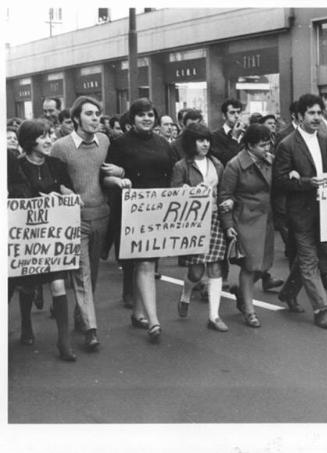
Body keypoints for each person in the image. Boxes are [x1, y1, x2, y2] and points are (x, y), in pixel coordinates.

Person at [105, 98, 179, 343]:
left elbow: (174, 174)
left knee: (147, 263)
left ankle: (138, 313)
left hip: (158, 212)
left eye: (150, 114)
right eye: (141, 115)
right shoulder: (119, 144)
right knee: (145, 264)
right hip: (132, 212)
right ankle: (154, 321)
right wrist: (121, 176)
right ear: (132, 118)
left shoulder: (163, 143)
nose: (147, 118)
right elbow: (106, 175)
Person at [51, 96, 117, 352]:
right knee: (82, 273)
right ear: (77, 118)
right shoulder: (61, 147)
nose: (95, 119)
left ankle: (82, 314)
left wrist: (119, 175)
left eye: (98, 114)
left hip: (101, 214)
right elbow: (54, 180)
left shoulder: (105, 142)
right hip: (75, 219)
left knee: (94, 273)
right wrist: (65, 191)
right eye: (89, 114)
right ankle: (91, 329)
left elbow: (104, 175)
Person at [13, 119, 77, 361]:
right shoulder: (17, 165)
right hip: (28, 238)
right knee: (28, 285)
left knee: (59, 285)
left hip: (54, 238)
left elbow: (66, 188)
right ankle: (27, 324)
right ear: (30, 141)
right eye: (42, 136)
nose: (49, 139)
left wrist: (69, 195)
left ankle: (64, 341)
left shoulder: (56, 164)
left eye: (50, 134)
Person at [273, 93, 327, 328]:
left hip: (324, 209)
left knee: (309, 257)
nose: (317, 117)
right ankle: (321, 309)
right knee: (309, 259)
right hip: (300, 212)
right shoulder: (287, 144)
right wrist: (306, 182)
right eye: (311, 113)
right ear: (299, 116)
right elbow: (279, 181)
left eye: (319, 113)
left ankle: (288, 292)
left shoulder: (324, 139)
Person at [171, 123, 228, 332]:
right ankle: (186, 293)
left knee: (215, 267)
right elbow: (174, 191)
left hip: (213, 219)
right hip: (194, 223)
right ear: (190, 142)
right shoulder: (181, 166)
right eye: (200, 140)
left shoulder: (217, 164)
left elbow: (223, 191)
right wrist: (189, 189)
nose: (205, 144)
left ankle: (214, 316)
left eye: (207, 140)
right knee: (195, 273)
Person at [219, 124, 276, 328]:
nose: (267, 148)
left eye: (269, 143)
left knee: (263, 265)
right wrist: (228, 226)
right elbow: (225, 196)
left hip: (266, 218)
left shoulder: (270, 160)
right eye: (262, 145)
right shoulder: (234, 165)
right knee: (250, 266)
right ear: (250, 145)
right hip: (245, 220)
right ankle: (249, 311)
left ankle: (241, 291)